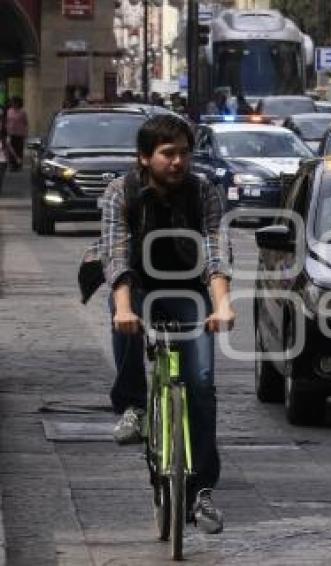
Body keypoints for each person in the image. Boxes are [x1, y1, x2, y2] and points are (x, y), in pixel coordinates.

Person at [101, 114, 234, 534]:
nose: (178, 162)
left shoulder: (203, 192)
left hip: (187, 288)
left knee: (201, 381)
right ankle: (135, 406)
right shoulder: (120, 191)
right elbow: (116, 256)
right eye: (168, 154)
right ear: (145, 157)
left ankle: (202, 493)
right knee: (123, 319)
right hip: (138, 284)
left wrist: (222, 305)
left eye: (184, 153)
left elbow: (216, 251)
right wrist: (125, 309)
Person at [4, 97, 28, 171]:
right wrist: (6, 129)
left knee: (19, 149)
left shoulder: (22, 112)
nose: (13, 104)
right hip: (11, 132)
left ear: (18, 103)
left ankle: (18, 165)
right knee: (11, 149)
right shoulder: (9, 111)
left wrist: (26, 132)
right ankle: (12, 165)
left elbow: (25, 123)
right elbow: (6, 121)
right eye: (12, 102)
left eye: (15, 102)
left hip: (20, 133)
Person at [0, 127, 17, 193]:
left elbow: (11, 150)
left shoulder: (5, 140)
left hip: (3, 162)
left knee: (1, 177)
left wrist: (16, 157)